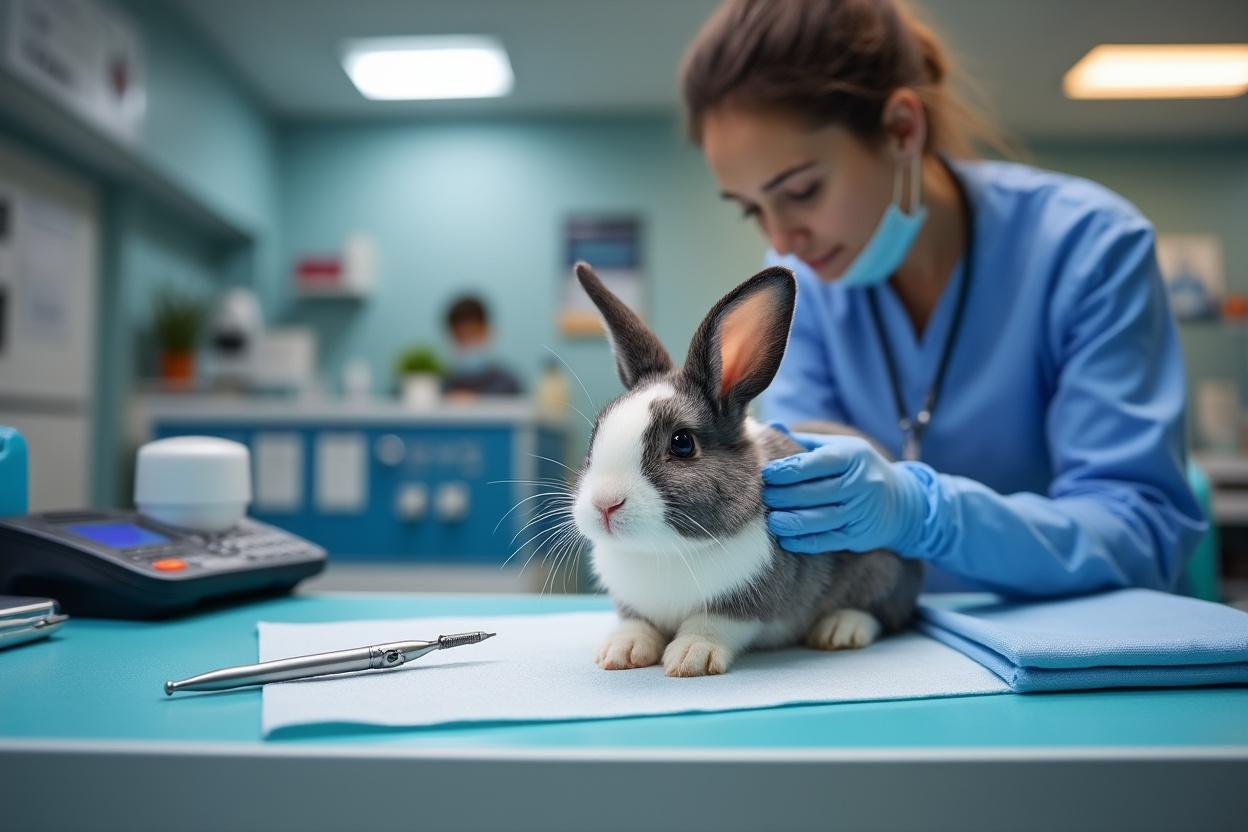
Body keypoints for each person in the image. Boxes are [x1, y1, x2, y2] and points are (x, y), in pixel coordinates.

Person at [678, 0, 1206, 596]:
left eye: (801, 191)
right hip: (888, 632)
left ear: (903, 129)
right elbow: (805, 501)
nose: (781, 240)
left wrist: (925, 515)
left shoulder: (1089, 248)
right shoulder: (801, 287)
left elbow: (1140, 533)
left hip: (1080, 636)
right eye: (751, 209)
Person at [442, 295, 523, 398]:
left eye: (473, 334)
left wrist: (474, 400)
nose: (468, 343)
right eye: (460, 337)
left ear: (487, 331)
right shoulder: (444, 384)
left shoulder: (508, 383)